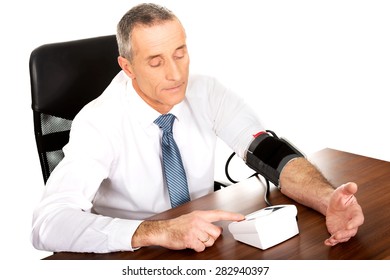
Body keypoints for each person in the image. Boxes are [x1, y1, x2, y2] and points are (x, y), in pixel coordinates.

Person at [31, 3, 364, 254]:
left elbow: (266, 151)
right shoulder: (98, 122)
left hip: (207, 242)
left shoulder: (206, 91)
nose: (176, 74)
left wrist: (326, 199)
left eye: (180, 53)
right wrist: (158, 232)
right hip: (137, 253)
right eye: (156, 61)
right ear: (127, 67)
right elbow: (47, 224)